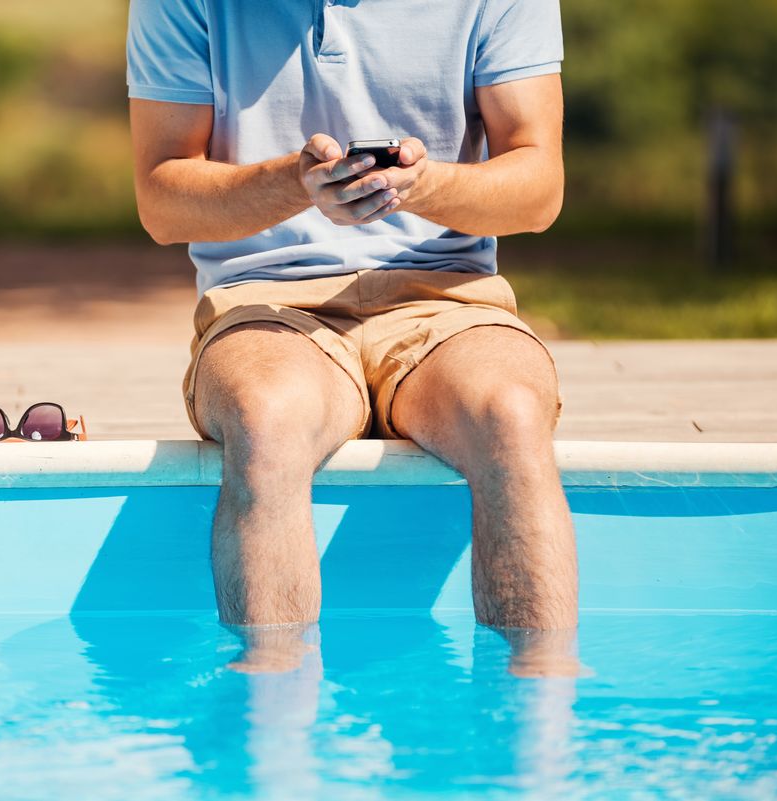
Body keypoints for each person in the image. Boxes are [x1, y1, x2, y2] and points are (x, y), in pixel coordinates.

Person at [126, 0, 578, 637]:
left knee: (511, 411)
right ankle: (267, 716)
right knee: (265, 415)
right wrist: (295, 183)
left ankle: (538, 711)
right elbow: (163, 203)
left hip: (447, 300)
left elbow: (539, 189)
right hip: (267, 303)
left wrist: (422, 186)